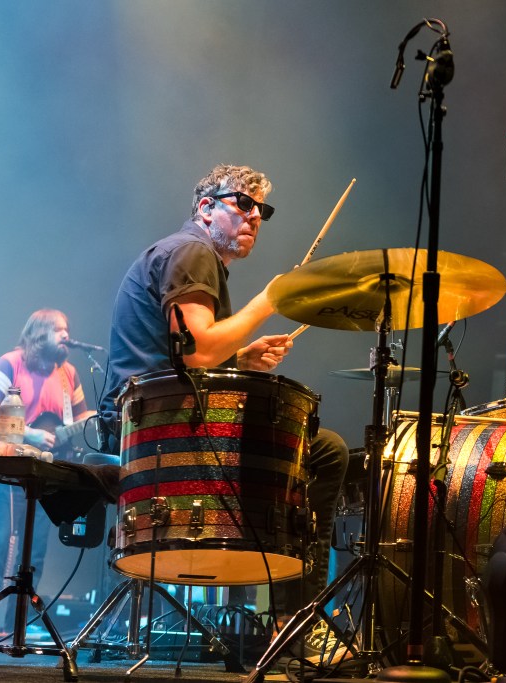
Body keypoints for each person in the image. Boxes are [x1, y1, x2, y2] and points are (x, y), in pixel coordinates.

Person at [97, 164, 348, 664]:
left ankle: (283, 612)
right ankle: (292, 622)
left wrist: (242, 359)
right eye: (243, 203)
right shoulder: (192, 251)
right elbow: (197, 351)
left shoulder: (187, 255)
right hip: (154, 427)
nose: (256, 216)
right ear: (205, 208)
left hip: (148, 418)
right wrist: (268, 301)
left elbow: (184, 353)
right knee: (322, 451)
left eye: (263, 210)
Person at [0, 309, 95, 642]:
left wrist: (99, 418)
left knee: (35, 548)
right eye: (59, 329)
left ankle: (22, 620)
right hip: (9, 464)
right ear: (40, 333)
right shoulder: (12, 362)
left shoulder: (69, 374)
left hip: (44, 472)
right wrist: (31, 434)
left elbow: (80, 420)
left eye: (68, 329)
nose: (66, 335)